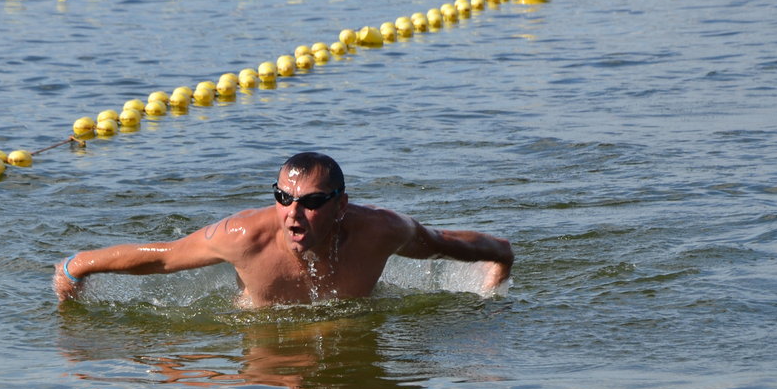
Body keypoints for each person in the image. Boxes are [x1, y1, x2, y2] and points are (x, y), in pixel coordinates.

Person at [53, 152, 513, 306]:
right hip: (265, 347)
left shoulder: (380, 230)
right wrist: (78, 267)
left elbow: (443, 244)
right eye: (284, 199)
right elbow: (164, 257)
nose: (293, 213)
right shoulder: (242, 237)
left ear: (341, 205)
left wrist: (500, 258)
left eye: (312, 203)